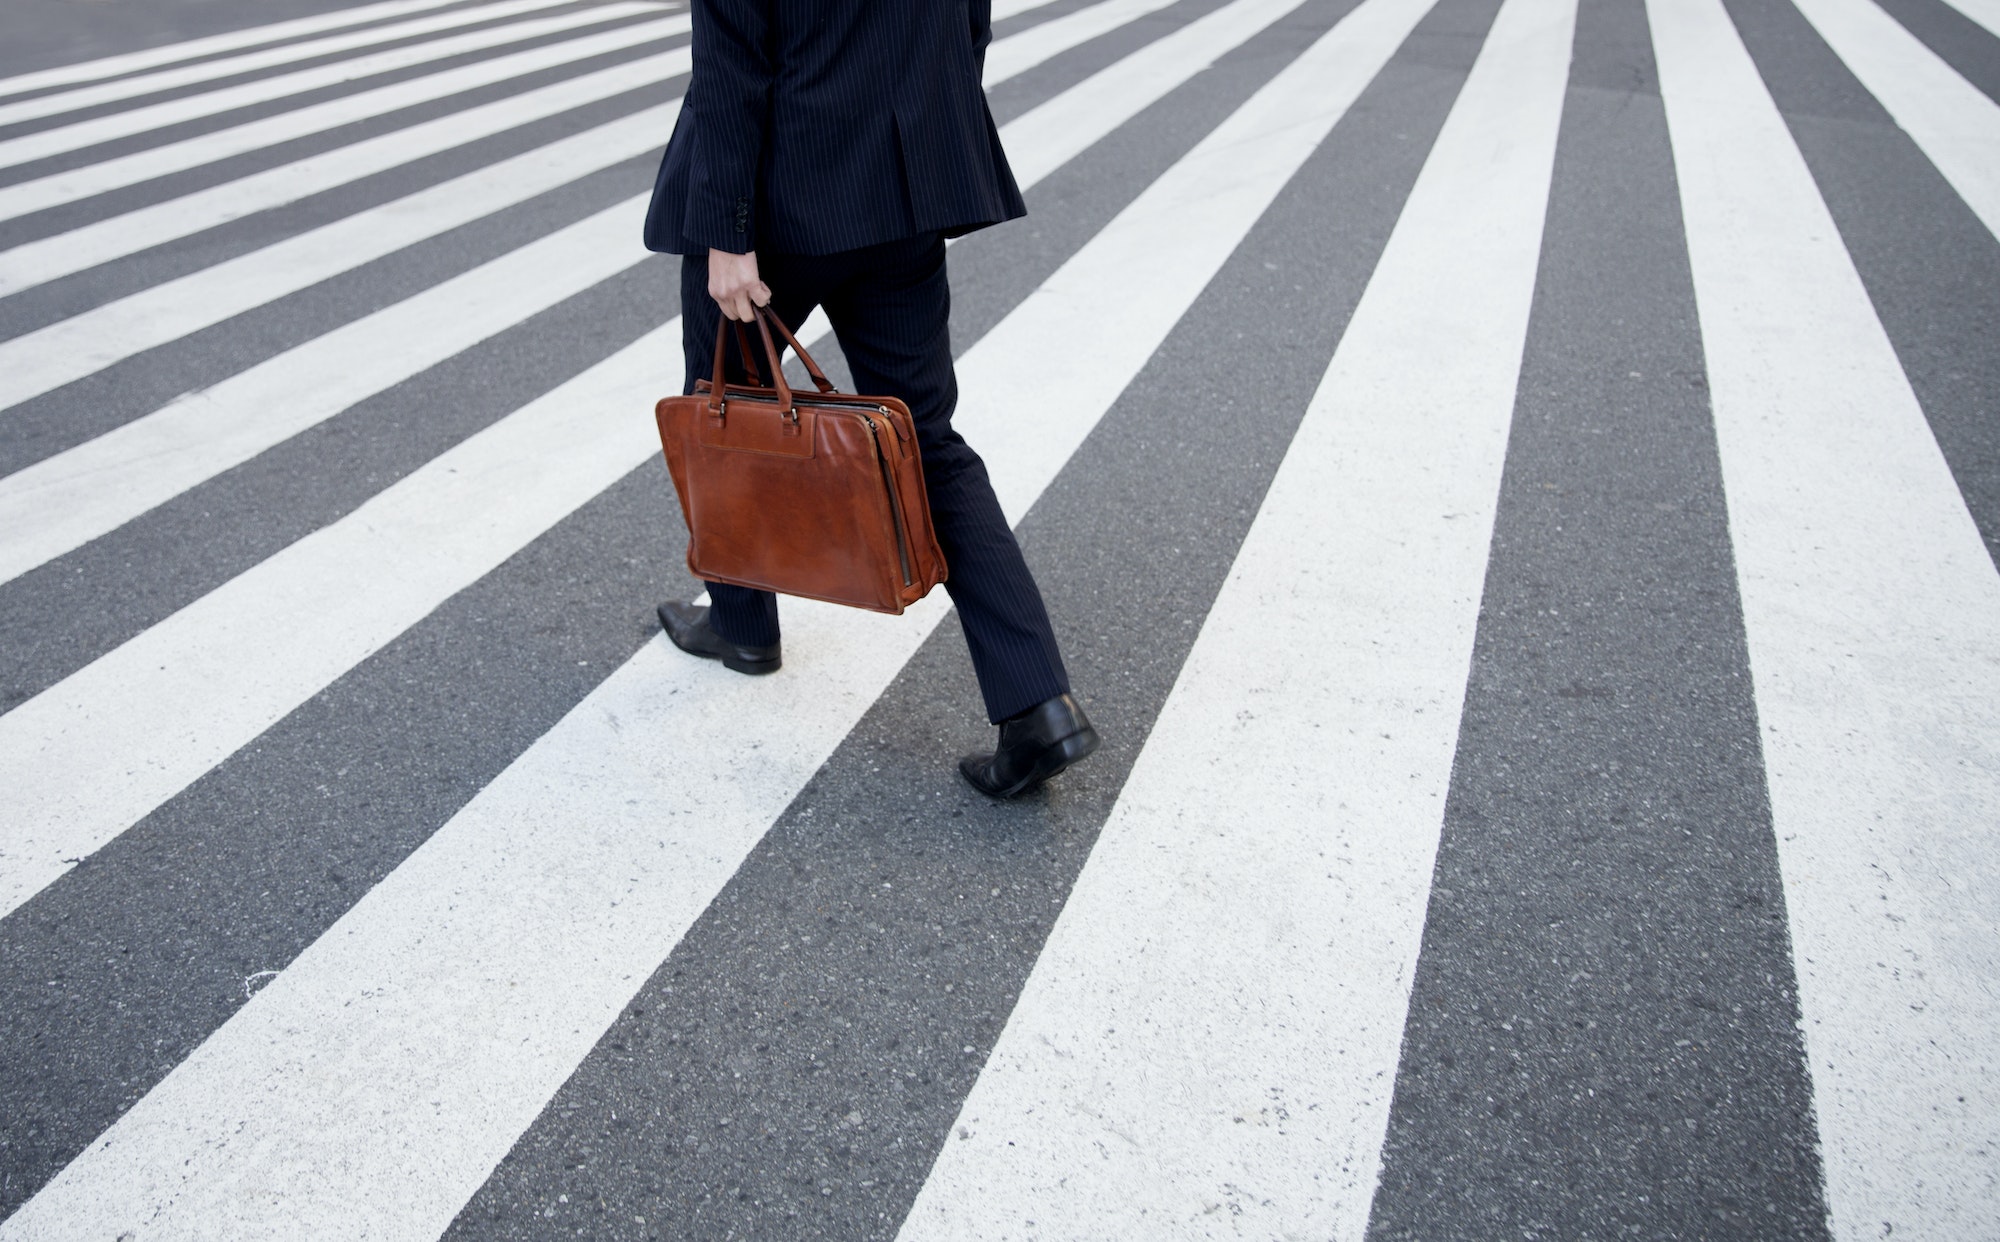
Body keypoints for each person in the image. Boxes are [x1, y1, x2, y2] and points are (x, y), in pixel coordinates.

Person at [641, 0, 1098, 798]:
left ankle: (744, 626)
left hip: (779, 199)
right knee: (923, 440)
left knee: (726, 408)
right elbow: (968, 25)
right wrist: (914, 144)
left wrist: (727, 233)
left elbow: (731, 68)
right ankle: (1037, 704)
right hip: (901, 190)